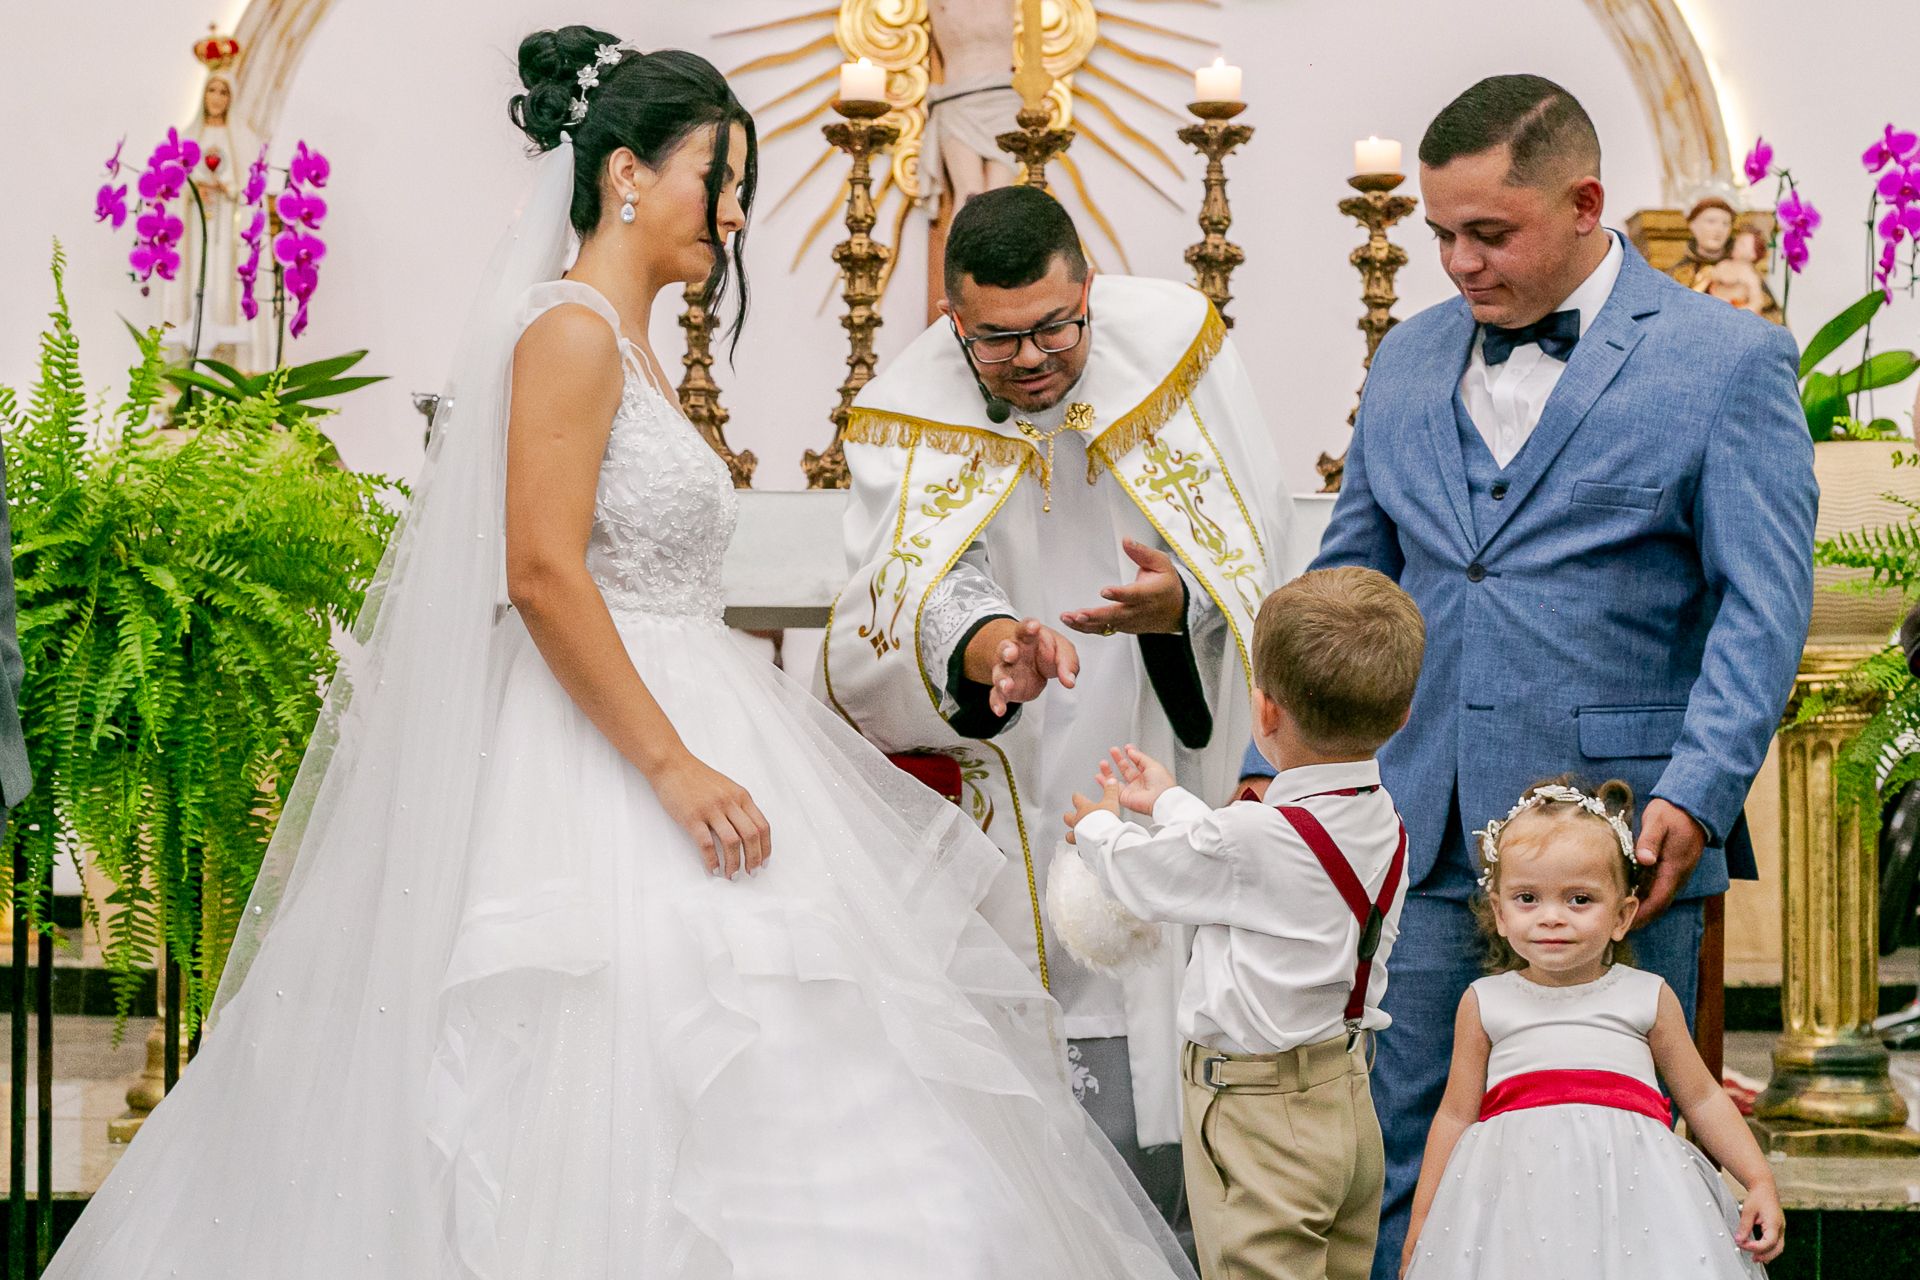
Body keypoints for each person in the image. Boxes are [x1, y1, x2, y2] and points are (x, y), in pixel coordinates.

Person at [43, 30, 1194, 1279]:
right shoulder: (572, 333)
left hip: (683, 698)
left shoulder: (628, 343)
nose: (740, 214)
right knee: (614, 1052)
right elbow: (541, 569)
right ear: (630, 175)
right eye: (723, 178)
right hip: (604, 753)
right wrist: (672, 765)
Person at [1238, 74, 1815, 1280]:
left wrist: (1697, 789)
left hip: (1616, 849)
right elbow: (1348, 587)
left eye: (1487, 233)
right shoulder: (1407, 361)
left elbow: (1762, 610)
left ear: (1585, 202)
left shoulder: (1727, 362)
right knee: (1405, 1154)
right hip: (1414, 826)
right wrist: (1265, 780)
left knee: (1614, 1161)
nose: (1457, 262)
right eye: (1440, 233)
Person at [823, 182, 1292, 1220]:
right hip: (1021, 771)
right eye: (997, 341)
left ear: (1090, 289)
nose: (1032, 359)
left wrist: (1184, 604)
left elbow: (1260, 555)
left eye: (1055, 328)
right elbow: (900, 598)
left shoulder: (1175, 349)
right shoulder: (909, 408)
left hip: (1167, 737)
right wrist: (994, 649)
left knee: (1182, 1054)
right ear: (954, 321)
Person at [1064, 567, 1425, 1280]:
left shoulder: (1254, 840)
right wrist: (1171, 802)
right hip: (1346, 1100)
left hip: (1260, 1118)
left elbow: (1154, 876)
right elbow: (1257, 873)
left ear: (1264, 714)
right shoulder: (1379, 818)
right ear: (1403, 715)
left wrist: (1102, 829)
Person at [1403, 781, 1783, 1279]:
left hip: (1634, 1200)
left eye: (1579, 899)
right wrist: (1424, 1222)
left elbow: (1704, 1099)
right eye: (1527, 899)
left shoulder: (1646, 996)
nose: (1552, 918)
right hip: (1515, 1203)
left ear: (1623, 915)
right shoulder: (1485, 1003)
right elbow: (1454, 1116)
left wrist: (1758, 1180)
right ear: (1498, 912)